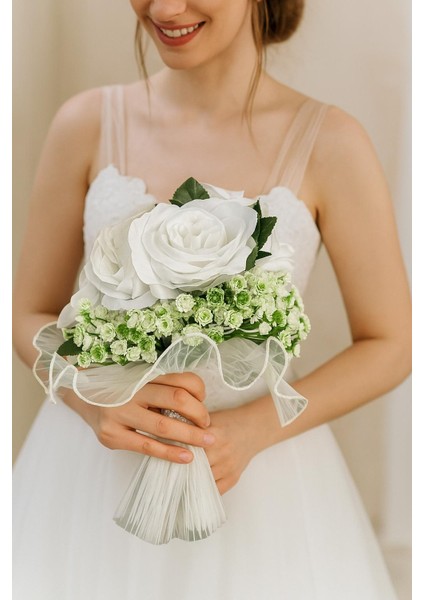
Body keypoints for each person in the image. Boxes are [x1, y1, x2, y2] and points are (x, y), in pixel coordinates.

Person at [13, 1, 411, 598]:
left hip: (260, 486)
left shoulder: (332, 141)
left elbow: (392, 343)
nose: (165, 9)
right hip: (87, 483)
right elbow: (29, 313)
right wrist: (91, 400)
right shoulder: (85, 123)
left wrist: (254, 429)